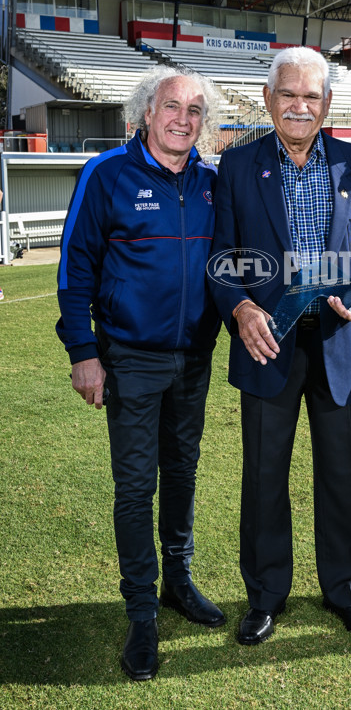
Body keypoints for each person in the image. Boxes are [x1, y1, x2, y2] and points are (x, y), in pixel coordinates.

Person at [209, 46, 351, 645]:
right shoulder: (236, 168)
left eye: (310, 96)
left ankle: (346, 592)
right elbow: (219, 257)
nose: (299, 106)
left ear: (328, 104)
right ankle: (266, 596)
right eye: (287, 94)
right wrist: (240, 308)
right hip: (267, 342)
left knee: (342, 474)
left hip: (341, 340)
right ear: (269, 99)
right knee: (265, 474)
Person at [56, 66, 225, 681]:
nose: (183, 118)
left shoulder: (212, 182)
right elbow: (75, 269)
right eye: (171, 106)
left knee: (182, 473)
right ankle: (142, 612)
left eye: (195, 110)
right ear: (146, 113)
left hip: (194, 358)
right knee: (136, 488)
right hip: (128, 357)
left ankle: (177, 580)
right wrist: (83, 352)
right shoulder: (107, 174)